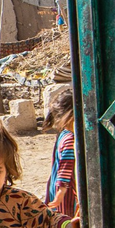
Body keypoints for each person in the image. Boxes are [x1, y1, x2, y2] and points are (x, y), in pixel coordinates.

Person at [43, 89, 78, 218]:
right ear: (70, 116)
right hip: (67, 191)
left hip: (55, 185)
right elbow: (66, 167)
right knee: (70, 219)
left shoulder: (62, 133)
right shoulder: (70, 139)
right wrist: (61, 192)